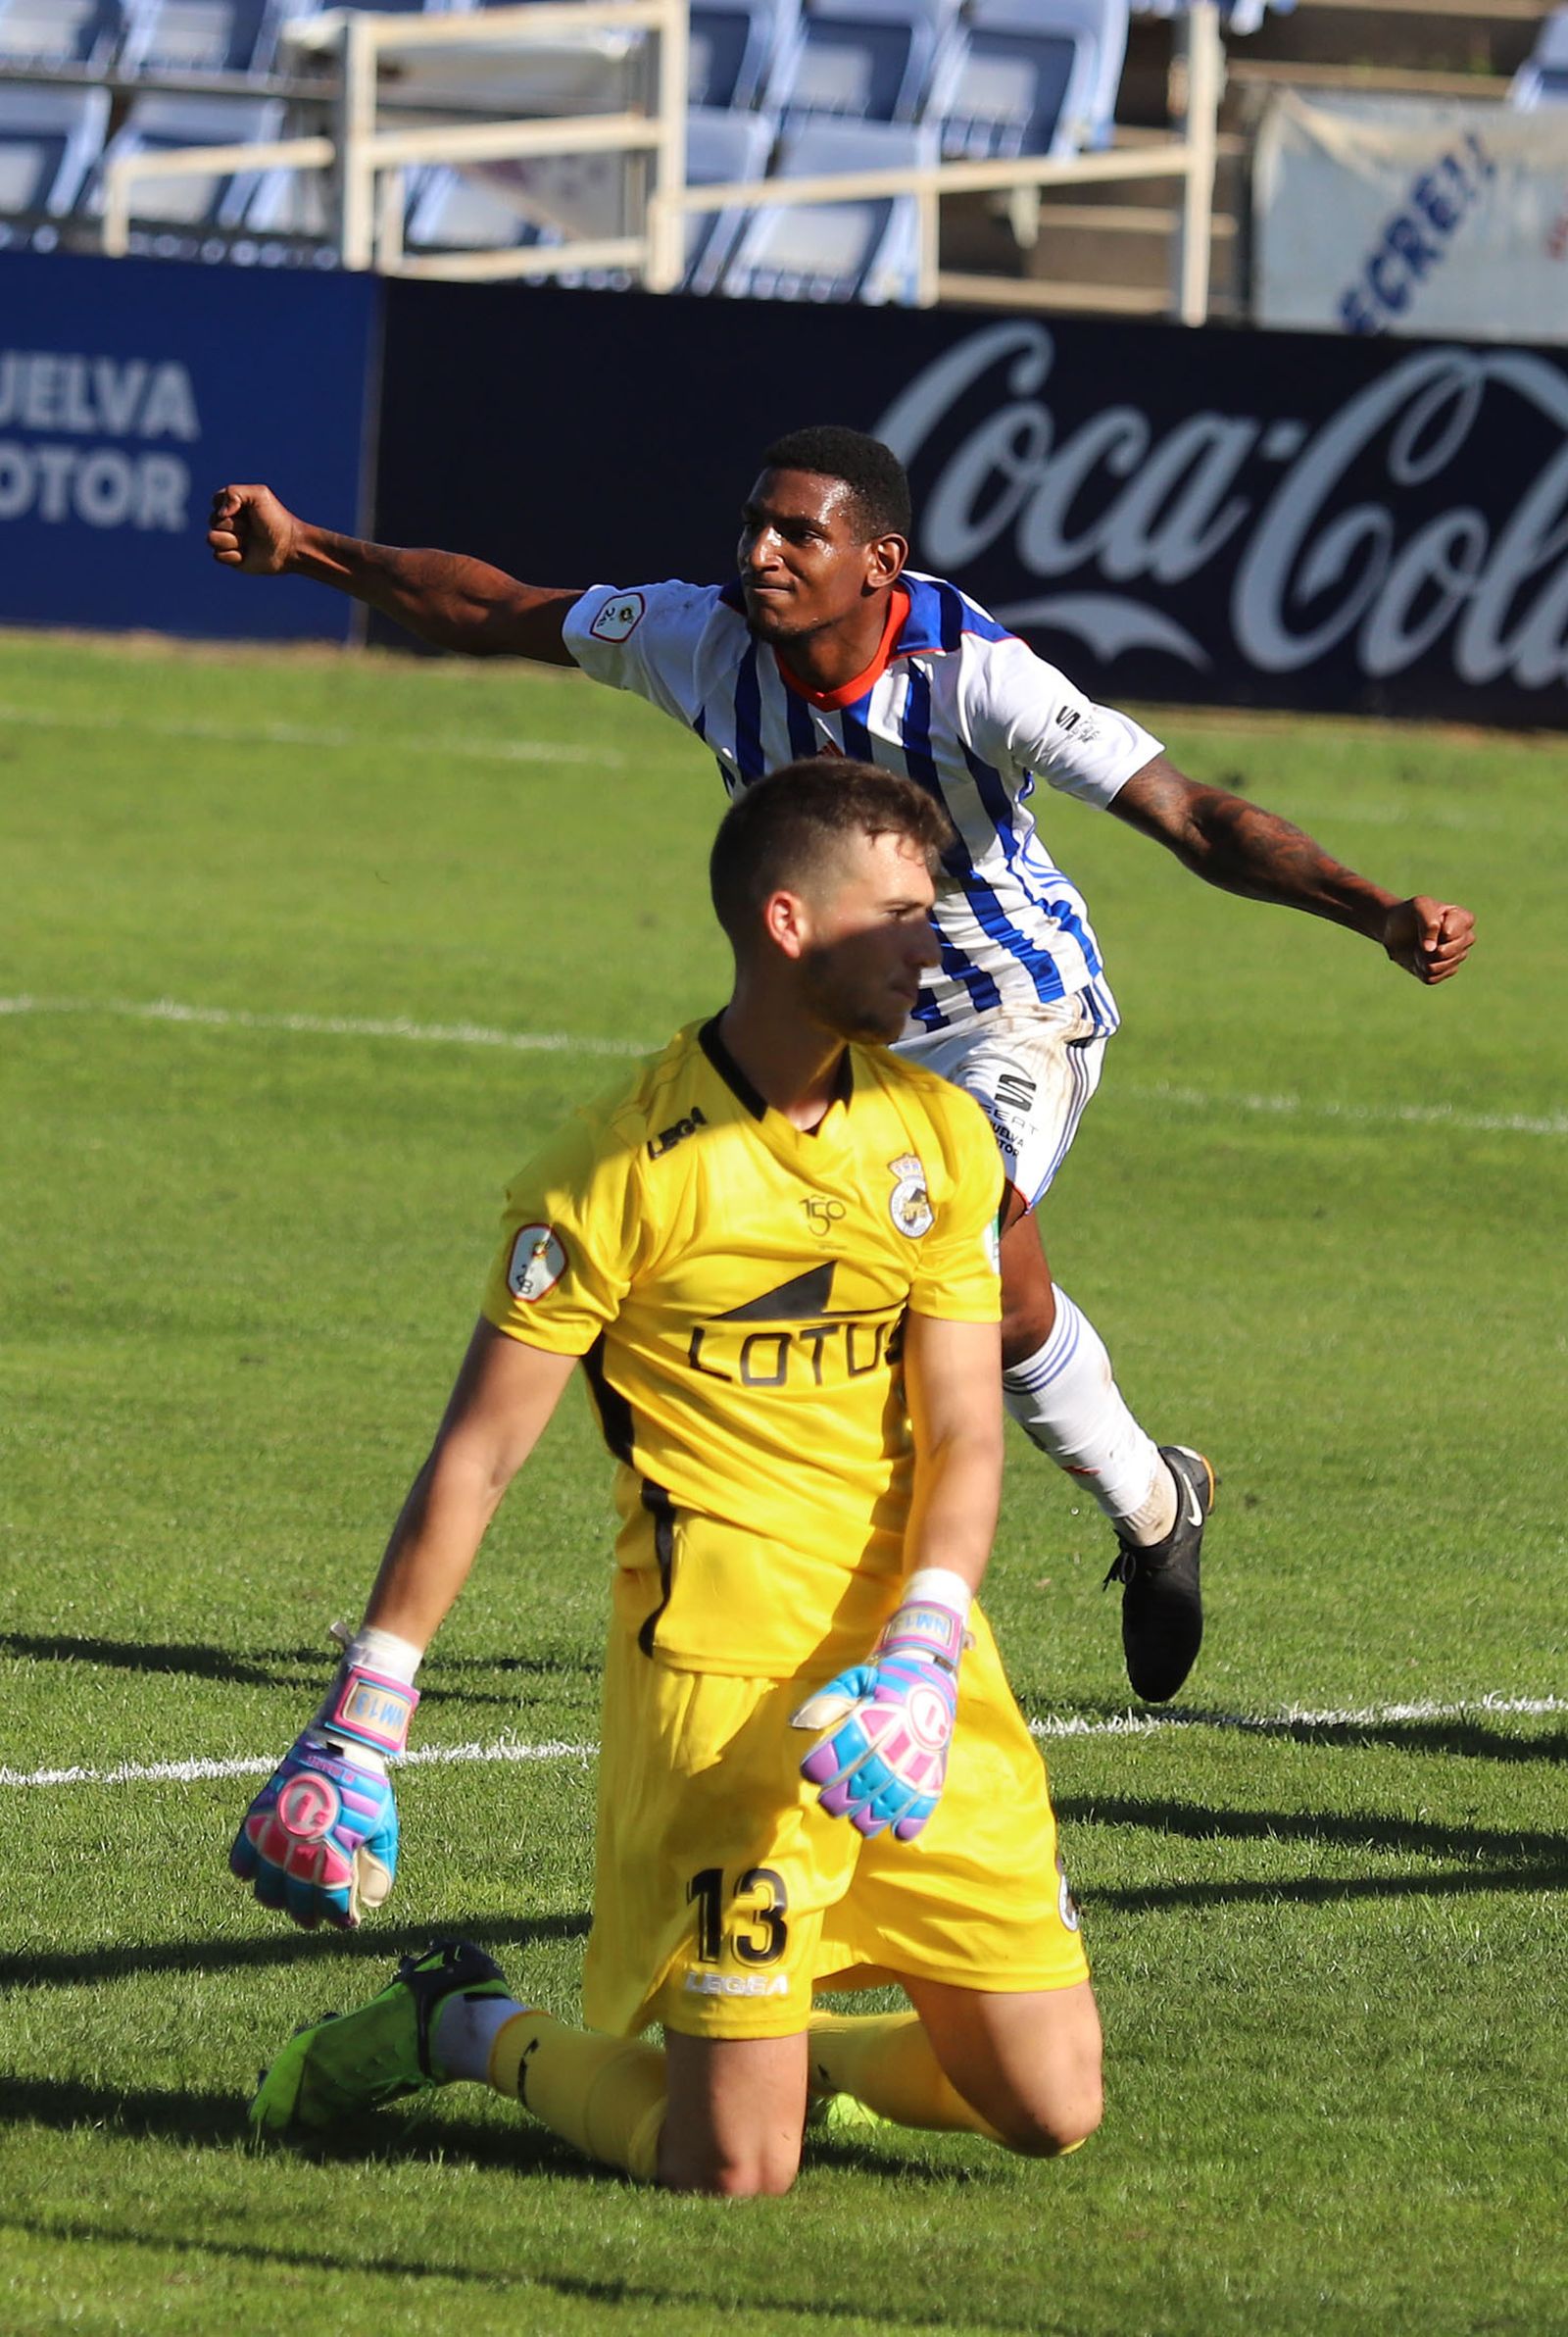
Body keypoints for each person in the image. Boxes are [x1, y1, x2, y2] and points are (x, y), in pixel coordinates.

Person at [209, 426, 1476, 1705]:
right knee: (1001, 1304)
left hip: (1008, 1011)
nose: (758, 553)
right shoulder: (699, 639)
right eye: (754, 524)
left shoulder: (977, 676)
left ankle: (877, 1629)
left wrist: (1372, 912)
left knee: (954, 1247)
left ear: (880, 561)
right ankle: (1157, 1504)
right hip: (832, 1017)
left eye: (795, 533)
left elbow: (1193, 812)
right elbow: (494, 608)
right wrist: (307, 548)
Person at [234, 761, 1102, 2197]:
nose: (928, 945)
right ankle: (464, 2022)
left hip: (912, 1691)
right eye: (897, 913)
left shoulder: (939, 1135)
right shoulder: (615, 1169)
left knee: (1051, 2102)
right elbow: (482, 1450)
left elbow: (965, 1427)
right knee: (732, 2173)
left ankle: (790, 2050)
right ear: (786, 924)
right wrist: (361, 1723)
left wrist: (929, 1652)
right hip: (718, 1693)